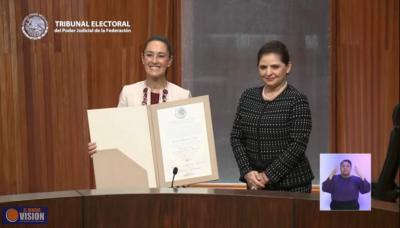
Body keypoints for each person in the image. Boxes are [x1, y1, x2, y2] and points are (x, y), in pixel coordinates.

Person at [230, 40, 314, 192]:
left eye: (275, 66)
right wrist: (247, 172)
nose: (268, 72)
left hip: (293, 187)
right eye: (263, 67)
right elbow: (236, 137)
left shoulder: (297, 100)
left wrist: (267, 176)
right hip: (255, 184)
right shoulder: (248, 97)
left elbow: (298, 145)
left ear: (288, 67)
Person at [88, 35, 191, 154]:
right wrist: (99, 146)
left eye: (161, 56)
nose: (154, 60)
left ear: (170, 61)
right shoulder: (128, 92)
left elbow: (188, 139)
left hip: (170, 166)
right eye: (149, 55)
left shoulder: (183, 96)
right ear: (143, 59)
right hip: (136, 165)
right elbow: (117, 132)